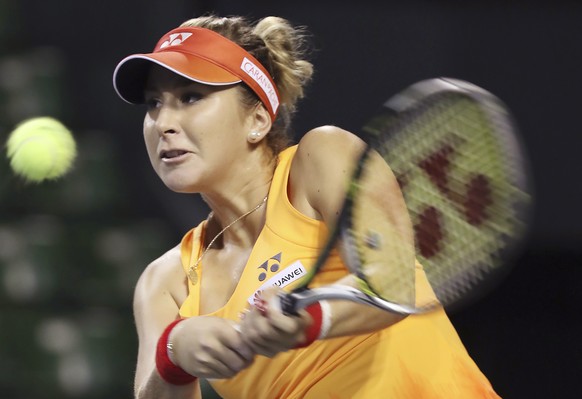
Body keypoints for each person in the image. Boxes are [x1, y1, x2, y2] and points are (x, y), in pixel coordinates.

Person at [113, 14, 501, 399]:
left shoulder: (322, 159)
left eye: (190, 97)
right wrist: (173, 355)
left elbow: (395, 282)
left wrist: (314, 317)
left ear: (259, 119)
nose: (163, 122)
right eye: (153, 104)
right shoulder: (164, 283)